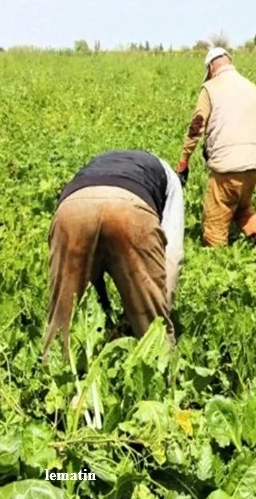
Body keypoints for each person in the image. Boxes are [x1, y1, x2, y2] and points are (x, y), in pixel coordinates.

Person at [43, 150, 184, 362]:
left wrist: (103, 306)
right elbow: (172, 256)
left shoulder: (94, 164)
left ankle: (52, 385)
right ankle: (162, 386)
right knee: (153, 339)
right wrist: (158, 306)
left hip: (73, 207)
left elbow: (89, 262)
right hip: (130, 209)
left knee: (62, 324)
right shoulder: (170, 179)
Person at [176, 47, 256, 250]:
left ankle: (219, 261)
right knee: (242, 207)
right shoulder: (251, 87)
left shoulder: (211, 88)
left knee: (215, 222)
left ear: (212, 68)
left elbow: (196, 127)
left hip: (225, 169)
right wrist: (253, 154)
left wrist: (183, 163)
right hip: (251, 166)